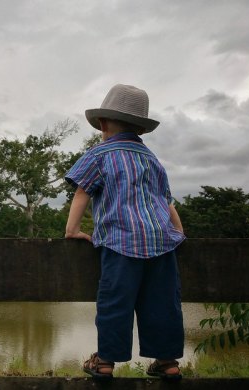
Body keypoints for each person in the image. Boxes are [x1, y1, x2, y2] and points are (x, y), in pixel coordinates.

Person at [64, 84, 186, 381]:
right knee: (162, 304)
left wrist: (73, 230)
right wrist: (178, 233)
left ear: (103, 124)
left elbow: (82, 191)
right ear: (140, 130)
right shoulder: (152, 159)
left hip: (120, 242)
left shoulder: (99, 154)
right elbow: (166, 201)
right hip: (161, 242)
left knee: (115, 302)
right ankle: (167, 362)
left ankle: (104, 362)